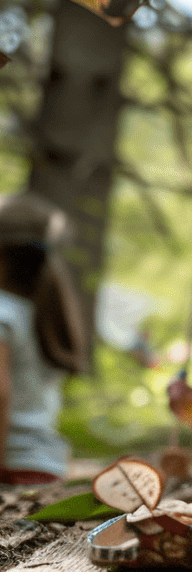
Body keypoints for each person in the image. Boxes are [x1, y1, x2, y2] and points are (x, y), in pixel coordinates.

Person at [0, 193, 86, 485]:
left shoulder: (3, 312)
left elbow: (0, 393)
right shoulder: (39, 313)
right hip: (45, 465)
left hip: (10, 467)